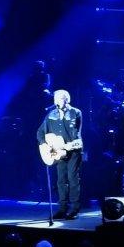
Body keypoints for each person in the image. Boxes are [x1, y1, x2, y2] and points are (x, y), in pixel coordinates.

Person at [36, 89, 83, 219]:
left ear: (66, 100)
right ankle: (62, 209)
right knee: (60, 181)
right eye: (55, 99)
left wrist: (68, 145)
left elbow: (77, 137)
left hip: (73, 151)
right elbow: (40, 132)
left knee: (73, 179)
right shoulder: (51, 115)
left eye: (60, 99)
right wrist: (45, 145)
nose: (57, 101)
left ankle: (74, 209)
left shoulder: (76, 113)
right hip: (58, 153)